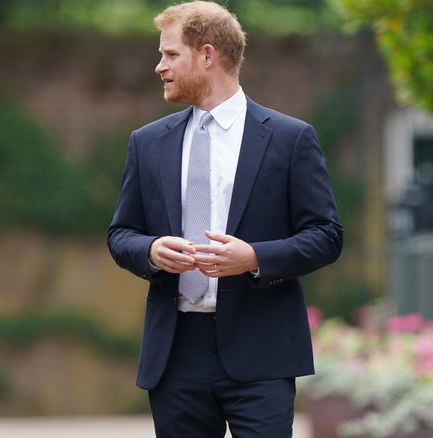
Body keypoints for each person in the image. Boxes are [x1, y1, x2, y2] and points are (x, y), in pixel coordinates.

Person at [106, 1, 343, 436]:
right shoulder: (147, 143)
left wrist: (254, 257)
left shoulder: (290, 139)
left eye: (170, 54)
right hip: (175, 352)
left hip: (263, 348)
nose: (159, 67)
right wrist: (153, 250)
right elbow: (121, 234)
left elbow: (327, 235)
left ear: (208, 55)